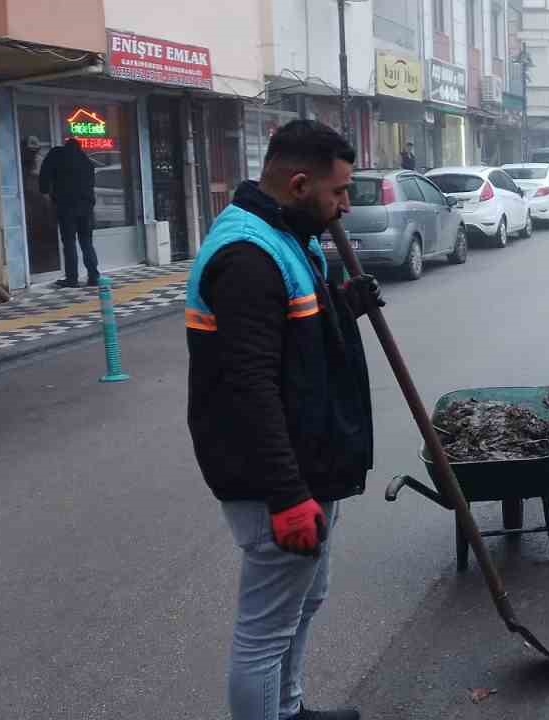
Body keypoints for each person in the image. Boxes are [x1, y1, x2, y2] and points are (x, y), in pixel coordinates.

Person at [185, 119, 383, 720]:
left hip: (309, 462)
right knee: (265, 632)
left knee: (305, 602)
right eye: (338, 193)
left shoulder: (285, 232)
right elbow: (250, 387)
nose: (345, 206)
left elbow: (296, 341)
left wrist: (342, 306)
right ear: (299, 184)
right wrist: (288, 497)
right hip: (277, 478)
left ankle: (289, 710)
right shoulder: (246, 258)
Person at [38, 137, 99, 288]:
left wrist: (45, 193)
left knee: (69, 242)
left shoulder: (56, 155)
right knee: (86, 241)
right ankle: (93, 276)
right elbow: (91, 184)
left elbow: (44, 175)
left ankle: (72, 279)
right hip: (85, 207)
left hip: (66, 207)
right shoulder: (86, 161)